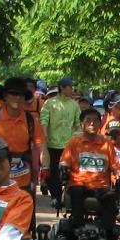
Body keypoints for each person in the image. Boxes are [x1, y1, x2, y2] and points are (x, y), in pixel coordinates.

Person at [59, 105, 120, 240]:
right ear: (82, 124)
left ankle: (104, 231)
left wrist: (119, 173)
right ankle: (78, 227)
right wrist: (63, 167)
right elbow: (64, 161)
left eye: (95, 121)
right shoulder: (74, 143)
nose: (92, 123)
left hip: (101, 186)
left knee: (111, 197)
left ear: (100, 124)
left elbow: (114, 165)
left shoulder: (107, 144)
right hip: (79, 183)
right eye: (88, 120)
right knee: (76, 192)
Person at [0, 77, 44, 195]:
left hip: (22, 182)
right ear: (5, 96)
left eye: (21, 95)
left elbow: (42, 147)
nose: (17, 98)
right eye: (13, 94)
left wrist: (45, 168)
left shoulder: (31, 121)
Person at [40, 77, 82, 207]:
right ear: (62, 88)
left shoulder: (74, 104)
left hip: (68, 145)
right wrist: (45, 135)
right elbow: (44, 120)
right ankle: (55, 197)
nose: (72, 89)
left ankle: (68, 196)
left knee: (69, 171)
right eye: (70, 87)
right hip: (53, 143)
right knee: (53, 172)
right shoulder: (50, 103)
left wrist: (77, 138)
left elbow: (78, 123)